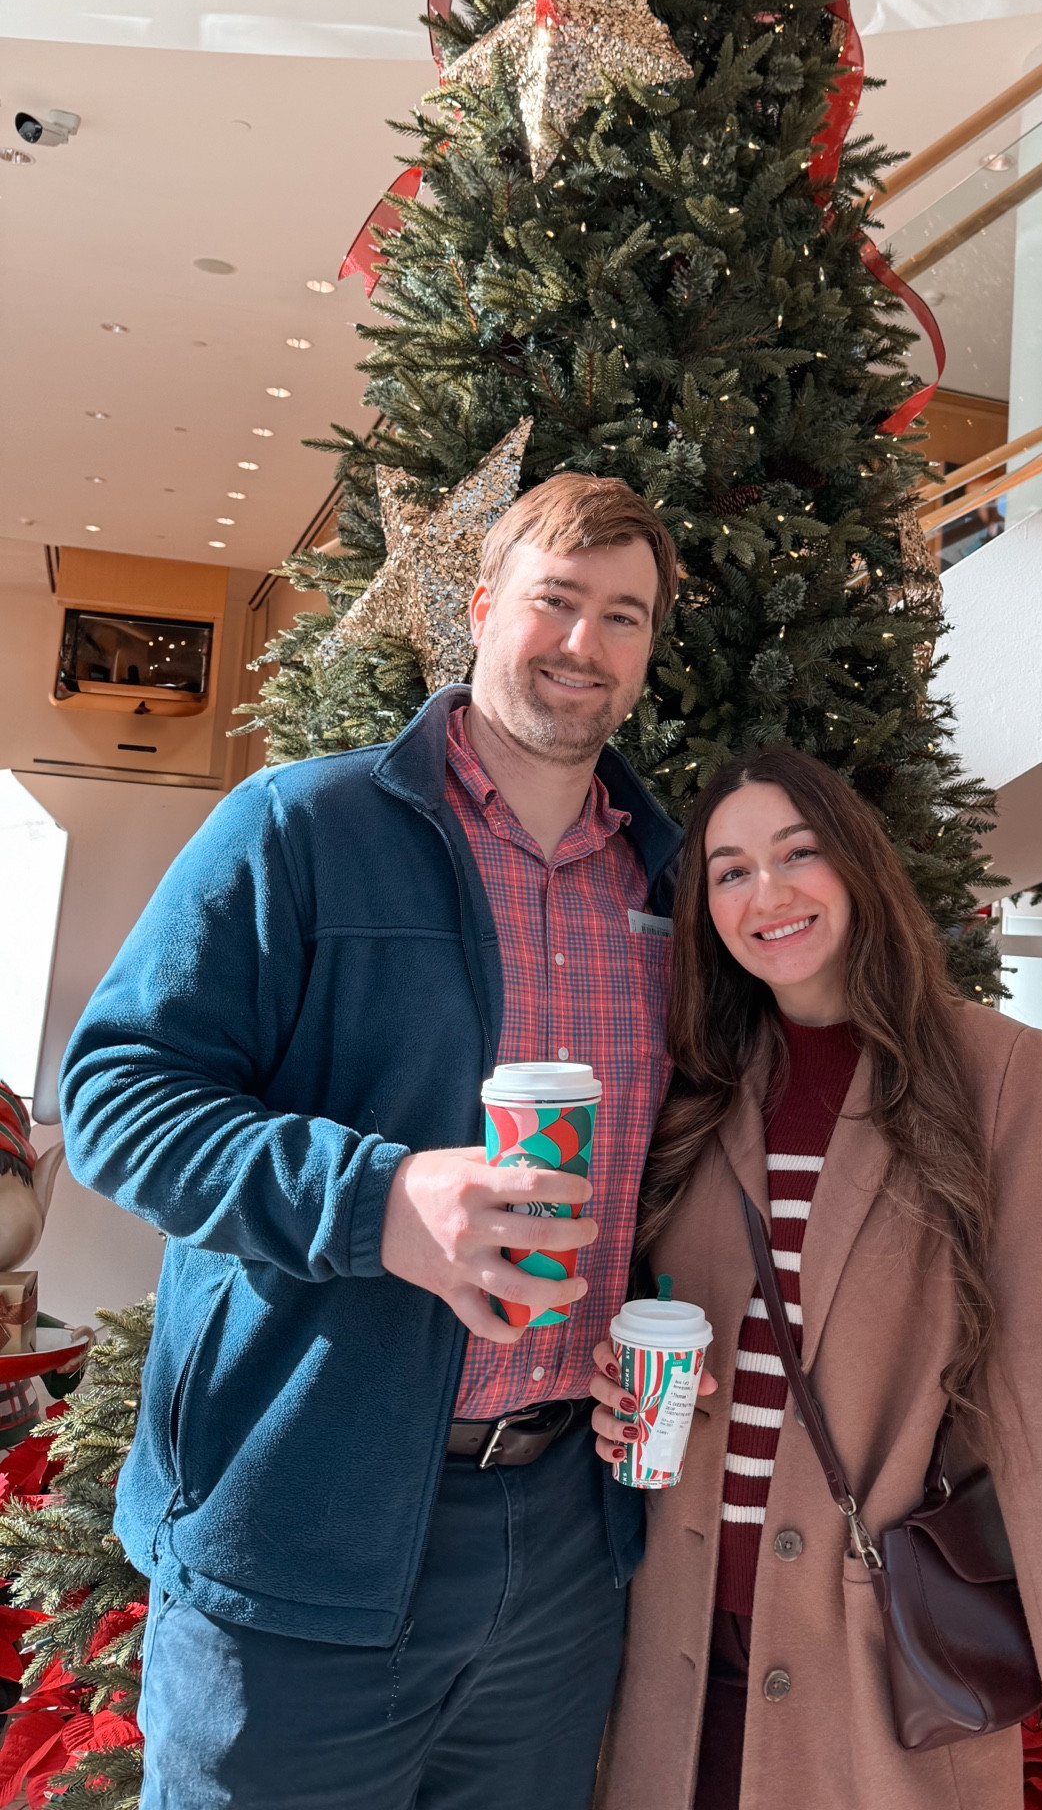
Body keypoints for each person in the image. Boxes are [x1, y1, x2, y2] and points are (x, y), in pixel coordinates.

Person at [59, 472, 697, 1810]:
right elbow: (118, 1095)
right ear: (481, 608)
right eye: (555, 601)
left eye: (622, 615)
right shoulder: (301, 826)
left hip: (562, 1544)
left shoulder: (669, 881)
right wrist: (379, 1199)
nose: (583, 643)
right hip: (305, 1527)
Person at [584, 745, 1042, 1810]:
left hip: (873, 1668)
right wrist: (610, 1385)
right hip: (671, 1660)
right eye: (729, 871)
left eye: (797, 853)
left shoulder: (993, 1072)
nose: (766, 893)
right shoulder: (693, 1078)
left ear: (857, 862)